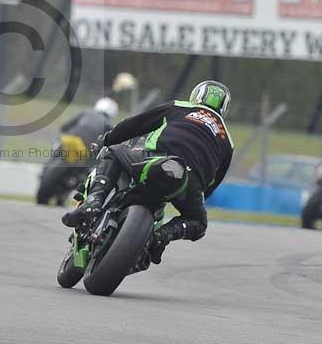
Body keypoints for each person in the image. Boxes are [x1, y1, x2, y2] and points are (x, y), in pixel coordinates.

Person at [62, 80, 233, 269]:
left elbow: (137, 124)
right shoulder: (227, 140)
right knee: (199, 223)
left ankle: (94, 201)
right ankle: (162, 236)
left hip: (156, 158)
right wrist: (194, 196)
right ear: (224, 107)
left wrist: (107, 139)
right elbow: (214, 182)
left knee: (113, 151)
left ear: (197, 96)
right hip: (188, 182)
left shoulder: (181, 107)